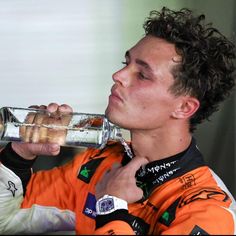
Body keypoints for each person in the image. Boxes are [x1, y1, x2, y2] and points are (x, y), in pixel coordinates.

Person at [0, 7, 235, 235]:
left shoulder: (211, 211)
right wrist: (19, 155)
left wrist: (111, 206)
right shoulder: (100, 163)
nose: (118, 76)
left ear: (184, 107)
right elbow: (6, 219)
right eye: (126, 64)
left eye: (142, 74)